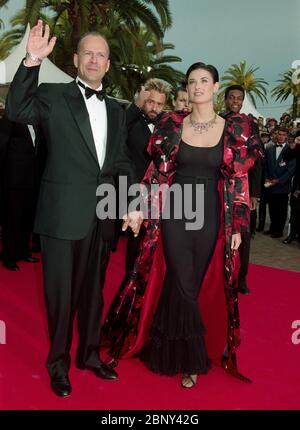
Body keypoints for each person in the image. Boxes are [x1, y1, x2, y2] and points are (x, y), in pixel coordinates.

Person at [102, 62, 262, 388]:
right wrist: (138, 208)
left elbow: (239, 180)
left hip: (212, 215)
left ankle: (166, 348)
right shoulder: (171, 125)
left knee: (193, 282)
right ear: (187, 89)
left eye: (205, 80)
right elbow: (156, 176)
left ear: (216, 86)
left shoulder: (235, 128)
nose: (198, 86)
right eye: (192, 81)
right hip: (175, 210)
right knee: (181, 278)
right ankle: (191, 358)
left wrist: (237, 228)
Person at [6, 20, 142, 397]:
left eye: (101, 55)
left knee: (93, 293)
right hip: (62, 215)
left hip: (101, 217)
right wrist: (32, 59)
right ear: (76, 60)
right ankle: (58, 364)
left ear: (109, 64)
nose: (95, 60)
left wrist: (132, 202)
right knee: (61, 296)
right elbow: (17, 109)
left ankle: (90, 355)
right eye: (88, 54)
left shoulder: (118, 111)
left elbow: (122, 163)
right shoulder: (52, 95)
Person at [123, 80, 169, 274]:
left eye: (159, 104)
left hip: (161, 194)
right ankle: (130, 283)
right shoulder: (131, 121)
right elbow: (117, 131)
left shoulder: (168, 126)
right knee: (135, 242)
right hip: (135, 191)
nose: (154, 108)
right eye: (150, 102)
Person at [222, 85, 262, 295]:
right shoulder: (218, 120)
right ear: (225, 99)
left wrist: (255, 192)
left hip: (243, 188)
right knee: (221, 233)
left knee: (243, 235)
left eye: (239, 98)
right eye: (231, 97)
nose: (235, 101)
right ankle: (220, 276)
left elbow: (257, 159)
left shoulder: (250, 124)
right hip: (221, 185)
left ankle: (242, 278)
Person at [0, 117, 41, 271]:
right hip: (13, 181)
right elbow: (1, 147)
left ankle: (23, 252)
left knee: (26, 220)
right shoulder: (10, 119)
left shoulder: (37, 123)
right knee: (12, 220)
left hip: (30, 179)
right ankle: (8, 257)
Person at [264, 127, 296, 238]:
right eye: (279, 134)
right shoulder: (269, 149)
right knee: (272, 208)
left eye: (283, 134)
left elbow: (291, 170)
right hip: (270, 185)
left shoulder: (291, 150)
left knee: (281, 210)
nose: (281, 136)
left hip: (282, 185)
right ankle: (273, 228)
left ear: (287, 136)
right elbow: (266, 167)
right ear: (275, 135)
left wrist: (279, 180)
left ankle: (279, 231)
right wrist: (267, 178)